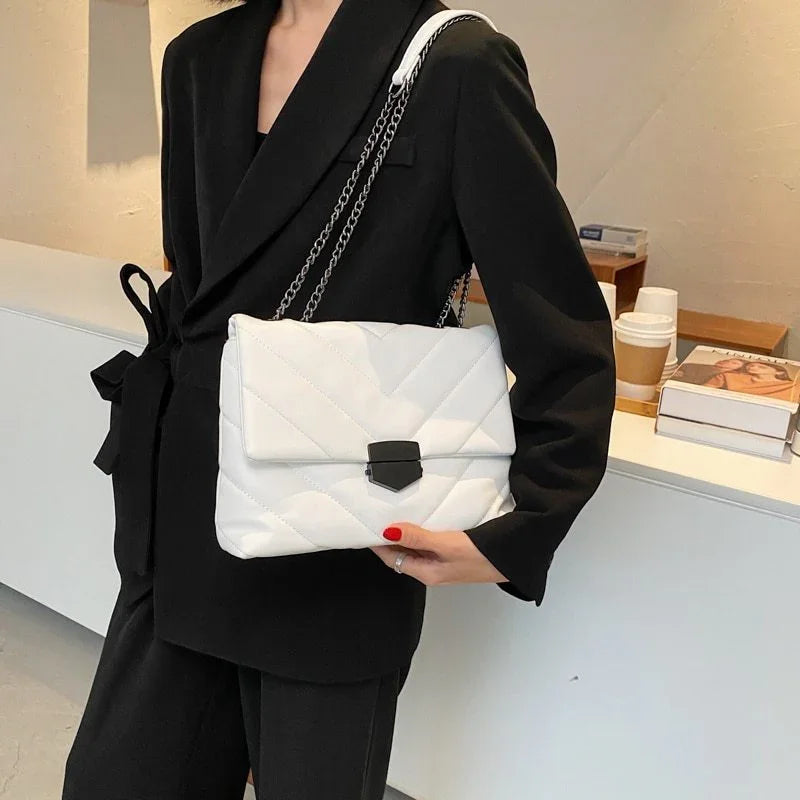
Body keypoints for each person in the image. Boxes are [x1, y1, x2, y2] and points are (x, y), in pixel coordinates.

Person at [62, 0, 616, 797]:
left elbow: (557, 318)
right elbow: (193, 281)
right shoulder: (197, 58)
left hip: (340, 535)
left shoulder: (454, 63)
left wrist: (522, 525)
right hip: (182, 523)